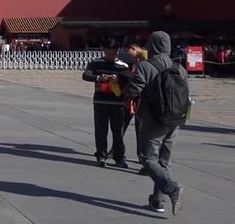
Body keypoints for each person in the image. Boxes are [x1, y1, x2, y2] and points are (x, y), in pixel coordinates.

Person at [126, 31, 188, 216]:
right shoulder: (179, 67)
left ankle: (171, 188)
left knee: (148, 159)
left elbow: (132, 91)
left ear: (152, 46)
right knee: (164, 160)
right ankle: (158, 201)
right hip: (175, 119)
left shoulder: (145, 66)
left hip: (153, 120)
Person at [81, 38, 130, 168]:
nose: (111, 56)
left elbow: (129, 82)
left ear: (117, 51)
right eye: (108, 53)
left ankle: (119, 157)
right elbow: (86, 75)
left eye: (113, 53)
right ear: (104, 51)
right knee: (101, 129)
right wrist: (99, 78)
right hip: (100, 100)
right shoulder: (96, 63)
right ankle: (101, 155)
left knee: (118, 131)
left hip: (118, 102)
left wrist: (118, 78)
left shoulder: (123, 65)